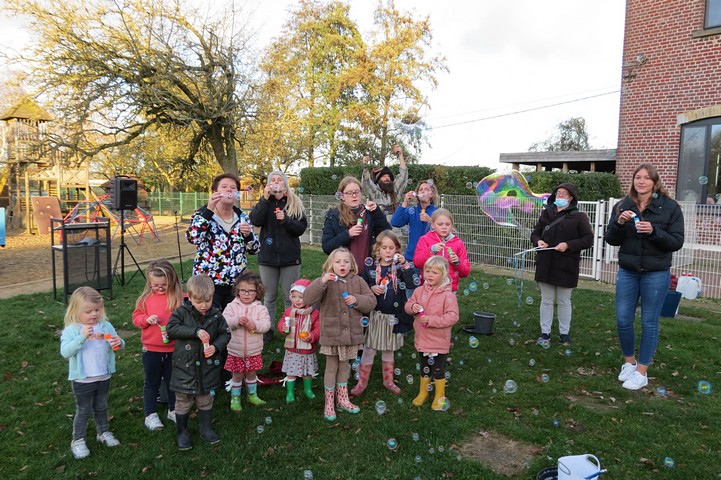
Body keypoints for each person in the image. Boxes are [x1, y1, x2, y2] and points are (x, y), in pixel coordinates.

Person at [604, 164, 685, 391]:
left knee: (649, 322)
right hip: (628, 271)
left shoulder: (669, 207)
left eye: (646, 178)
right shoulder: (623, 205)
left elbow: (677, 241)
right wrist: (620, 223)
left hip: (656, 273)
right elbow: (611, 239)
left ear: (655, 182)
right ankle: (629, 363)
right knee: (622, 319)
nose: (641, 181)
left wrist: (654, 231)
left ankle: (642, 371)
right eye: (637, 177)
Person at [303, 247, 376, 421]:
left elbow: (371, 301)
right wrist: (321, 281)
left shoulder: (358, 281)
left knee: (345, 366)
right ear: (330, 265)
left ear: (352, 264)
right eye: (338, 262)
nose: (342, 264)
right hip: (331, 334)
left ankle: (342, 399)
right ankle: (329, 402)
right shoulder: (325, 281)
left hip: (351, 334)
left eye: (346, 261)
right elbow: (307, 298)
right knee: (331, 367)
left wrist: (357, 300)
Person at [167, 275, 231, 450]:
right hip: (184, 367)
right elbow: (171, 329)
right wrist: (194, 331)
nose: (203, 305)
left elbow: (226, 334)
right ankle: (182, 432)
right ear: (190, 297)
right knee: (183, 400)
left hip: (207, 368)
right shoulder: (181, 312)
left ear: (212, 295)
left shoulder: (216, 315)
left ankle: (205, 428)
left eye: (207, 301)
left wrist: (216, 348)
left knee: (205, 399)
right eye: (198, 301)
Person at [60, 287, 125, 459]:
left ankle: (103, 432)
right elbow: (66, 352)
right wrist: (81, 337)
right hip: (83, 379)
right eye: (88, 311)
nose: (93, 314)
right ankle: (78, 440)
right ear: (76, 310)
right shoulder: (73, 330)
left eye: (97, 310)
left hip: (103, 375)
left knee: (101, 406)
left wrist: (118, 342)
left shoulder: (105, 326)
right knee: (84, 409)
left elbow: (117, 344)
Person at [530, 183, 593, 347]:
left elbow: (588, 239)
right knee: (546, 300)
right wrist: (539, 241)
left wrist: (568, 245)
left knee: (564, 301)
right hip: (546, 263)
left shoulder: (579, 217)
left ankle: (564, 334)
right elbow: (535, 233)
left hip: (567, 265)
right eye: (558, 193)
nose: (560, 196)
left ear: (571, 198)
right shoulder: (546, 213)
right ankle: (545, 333)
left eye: (564, 194)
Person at [353, 231, 416, 396]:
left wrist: (407, 266)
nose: (388, 251)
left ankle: (388, 381)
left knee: (389, 350)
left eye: (392, 248)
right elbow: (362, 286)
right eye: (384, 247)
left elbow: (411, 283)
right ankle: (362, 383)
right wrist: (371, 288)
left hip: (393, 318)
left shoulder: (400, 269)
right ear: (377, 250)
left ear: (397, 250)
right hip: (375, 316)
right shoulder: (371, 267)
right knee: (369, 349)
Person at [186, 173, 260, 311]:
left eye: (233, 188)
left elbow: (254, 249)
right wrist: (208, 211)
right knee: (209, 324)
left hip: (236, 284)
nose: (229, 190)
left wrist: (248, 235)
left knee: (232, 324)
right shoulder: (203, 214)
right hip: (208, 284)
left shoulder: (242, 217)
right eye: (224, 187)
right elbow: (193, 238)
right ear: (215, 192)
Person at [250, 170, 307, 344]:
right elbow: (255, 220)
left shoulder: (294, 203)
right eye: (272, 180)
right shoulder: (264, 202)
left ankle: (292, 328)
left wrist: (286, 220)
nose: (275, 182)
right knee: (269, 297)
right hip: (267, 258)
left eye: (279, 180)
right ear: (268, 185)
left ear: (284, 184)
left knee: (290, 297)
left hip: (290, 257)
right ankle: (268, 330)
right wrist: (264, 199)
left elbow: (300, 228)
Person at [132, 260, 183, 431]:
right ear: (149, 283)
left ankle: (173, 409)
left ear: (172, 280)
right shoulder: (145, 299)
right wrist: (145, 319)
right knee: (151, 382)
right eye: (155, 285)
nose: (160, 288)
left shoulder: (179, 298)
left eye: (164, 285)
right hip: (151, 349)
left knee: (173, 381)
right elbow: (136, 318)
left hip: (174, 349)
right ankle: (150, 414)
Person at [405, 256, 459, 410]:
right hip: (422, 339)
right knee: (424, 367)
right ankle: (423, 393)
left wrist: (431, 320)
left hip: (439, 340)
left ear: (444, 275)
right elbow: (408, 305)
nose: (429, 275)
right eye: (427, 271)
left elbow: (453, 316)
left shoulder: (448, 295)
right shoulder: (419, 291)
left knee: (438, 369)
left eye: (434, 272)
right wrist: (413, 306)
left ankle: (440, 395)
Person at [222, 271, 272, 411]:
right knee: (237, 375)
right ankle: (235, 398)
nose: (246, 293)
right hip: (235, 350)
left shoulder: (260, 308)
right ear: (237, 291)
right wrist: (236, 321)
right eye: (243, 290)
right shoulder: (232, 306)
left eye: (251, 291)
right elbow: (224, 321)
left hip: (253, 350)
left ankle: (252, 395)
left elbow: (266, 325)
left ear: (258, 292)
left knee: (251, 373)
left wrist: (255, 325)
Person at [322, 176, 391, 274]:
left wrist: (377, 212)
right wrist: (348, 234)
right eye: (349, 193)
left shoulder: (370, 212)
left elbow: (387, 234)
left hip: (368, 272)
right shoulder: (333, 216)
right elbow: (327, 247)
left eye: (357, 192)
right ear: (341, 196)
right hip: (342, 273)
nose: (354, 195)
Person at [277, 278, 320, 403]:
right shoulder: (289, 312)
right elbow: (282, 322)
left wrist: (311, 336)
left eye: (300, 297)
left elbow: (318, 328)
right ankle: (290, 392)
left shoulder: (314, 313)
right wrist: (282, 327)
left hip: (307, 349)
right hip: (292, 349)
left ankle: (308, 389)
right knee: (291, 372)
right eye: (294, 296)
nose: (297, 300)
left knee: (307, 372)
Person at [413, 209, 471, 292]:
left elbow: (465, 272)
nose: (444, 227)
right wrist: (431, 250)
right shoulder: (425, 240)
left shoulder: (458, 243)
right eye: (440, 224)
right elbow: (417, 263)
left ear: (452, 225)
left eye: (447, 224)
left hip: (449, 289)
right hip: (429, 288)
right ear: (432, 225)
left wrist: (457, 263)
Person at [390, 179, 439, 262]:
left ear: (431, 194)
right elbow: (395, 222)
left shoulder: (437, 212)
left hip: (429, 258)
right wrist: (405, 202)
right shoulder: (411, 211)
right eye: (421, 190)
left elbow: (442, 232)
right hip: (411, 257)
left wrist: (430, 221)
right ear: (417, 194)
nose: (423, 192)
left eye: (427, 189)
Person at [361, 144, 409, 219]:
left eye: (388, 176)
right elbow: (366, 181)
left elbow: (403, 175)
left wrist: (400, 155)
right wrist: (365, 166)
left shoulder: (395, 190)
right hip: (378, 229)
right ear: (378, 180)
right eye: (383, 176)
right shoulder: (374, 192)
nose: (387, 178)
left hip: (395, 229)